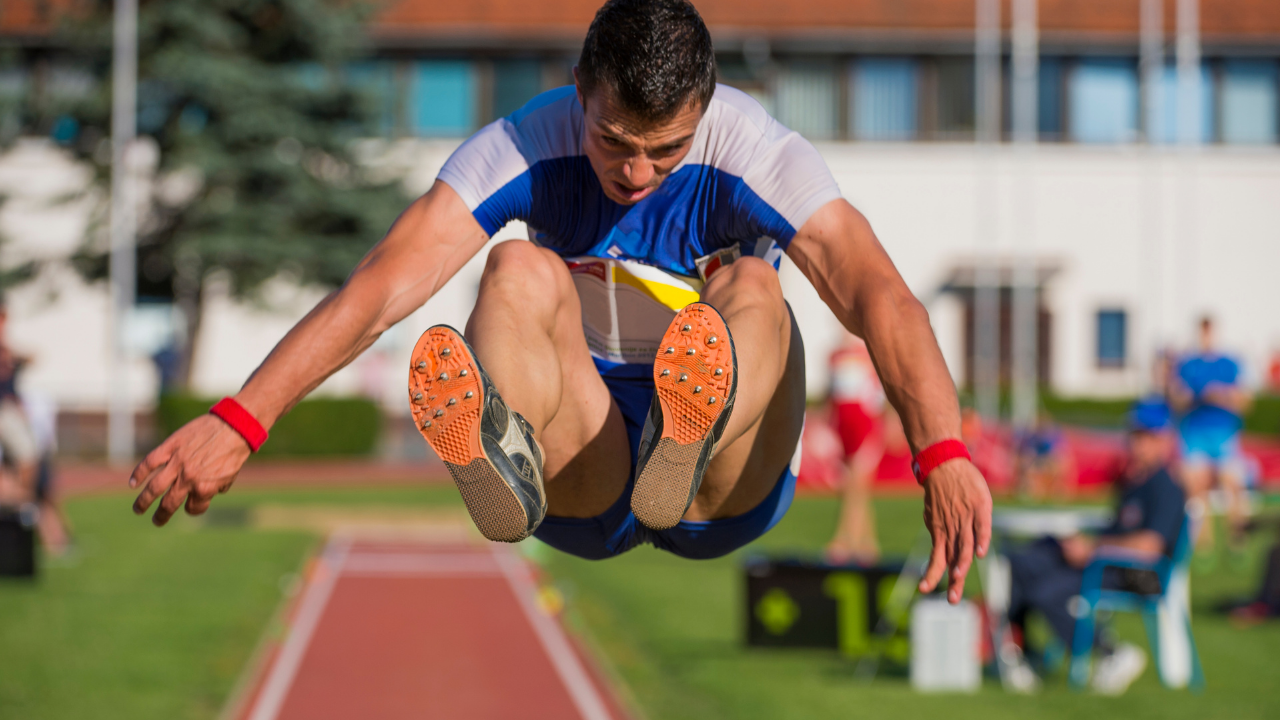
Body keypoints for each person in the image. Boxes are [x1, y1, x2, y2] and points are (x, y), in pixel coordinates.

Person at [129, 0, 990, 599]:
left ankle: (686, 437)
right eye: (614, 141)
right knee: (514, 270)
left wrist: (942, 451)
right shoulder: (524, 143)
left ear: (708, 108)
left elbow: (882, 297)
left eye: (667, 150)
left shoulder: (759, 153)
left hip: (723, 485)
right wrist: (243, 418)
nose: (636, 173)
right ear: (580, 86)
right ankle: (509, 452)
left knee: (756, 285)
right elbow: (382, 286)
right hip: (589, 462)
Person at [1002, 399, 1186, 694]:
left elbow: (1149, 546)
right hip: (1109, 560)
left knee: (1046, 591)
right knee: (1026, 560)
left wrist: (1093, 548)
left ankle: (1111, 652)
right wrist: (1075, 542)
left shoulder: (1166, 486)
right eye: (1135, 433)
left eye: (1147, 435)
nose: (1138, 442)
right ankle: (1021, 652)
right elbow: (1119, 529)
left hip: (1139, 573)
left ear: (1165, 440)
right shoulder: (1133, 481)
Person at [1170, 316, 1251, 554]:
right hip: (1195, 433)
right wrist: (1197, 396)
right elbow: (1176, 399)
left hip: (1223, 433)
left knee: (1232, 484)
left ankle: (1237, 539)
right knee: (1196, 488)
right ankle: (1202, 543)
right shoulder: (1187, 364)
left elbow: (1245, 401)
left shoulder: (1229, 363)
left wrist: (1222, 395)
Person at [824, 335, 885, 564]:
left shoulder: (868, 354)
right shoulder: (833, 356)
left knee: (856, 484)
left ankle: (843, 539)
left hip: (865, 425)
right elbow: (831, 396)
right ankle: (867, 543)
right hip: (844, 426)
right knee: (854, 487)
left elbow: (877, 395)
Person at [0, 300, 38, 507]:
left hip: (9, 409)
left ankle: (21, 502)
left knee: (26, 458)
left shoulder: (7, 349)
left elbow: (32, 357)